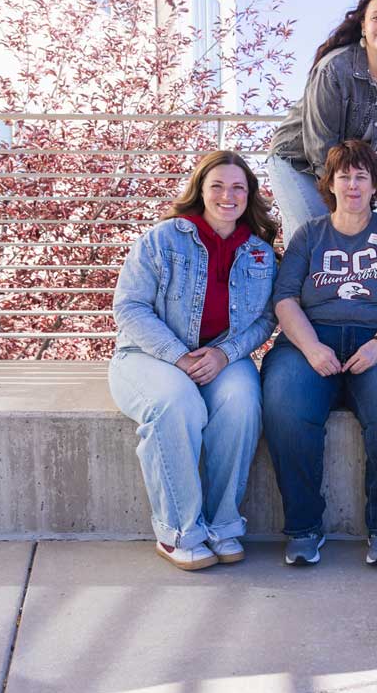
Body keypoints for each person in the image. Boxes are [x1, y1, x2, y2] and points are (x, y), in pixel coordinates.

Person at [261, 139, 377, 567]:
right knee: (285, 409)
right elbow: (284, 298)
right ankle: (303, 528)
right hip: (310, 340)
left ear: (374, 185)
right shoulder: (309, 234)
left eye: (361, 176)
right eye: (343, 176)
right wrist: (311, 347)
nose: (352, 185)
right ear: (329, 184)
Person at [109, 151, 278, 571]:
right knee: (175, 402)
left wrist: (225, 353)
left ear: (249, 195)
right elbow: (129, 307)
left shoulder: (259, 253)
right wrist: (178, 356)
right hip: (149, 355)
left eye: (238, 187)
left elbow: (266, 319)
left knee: (242, 403)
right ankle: (178, 532)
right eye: (217, 186)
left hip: (222, 356)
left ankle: (223, 524)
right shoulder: (162, 240)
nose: (227, 196)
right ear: (200, 190)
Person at [266, 0, 377, 243]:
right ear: (364, 26)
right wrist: (343, 202)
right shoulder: (335, 68)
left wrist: (364, 194)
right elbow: (320, 146)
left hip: (348, 174)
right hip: (297, 161)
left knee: (374, 235)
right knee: (314, 234)